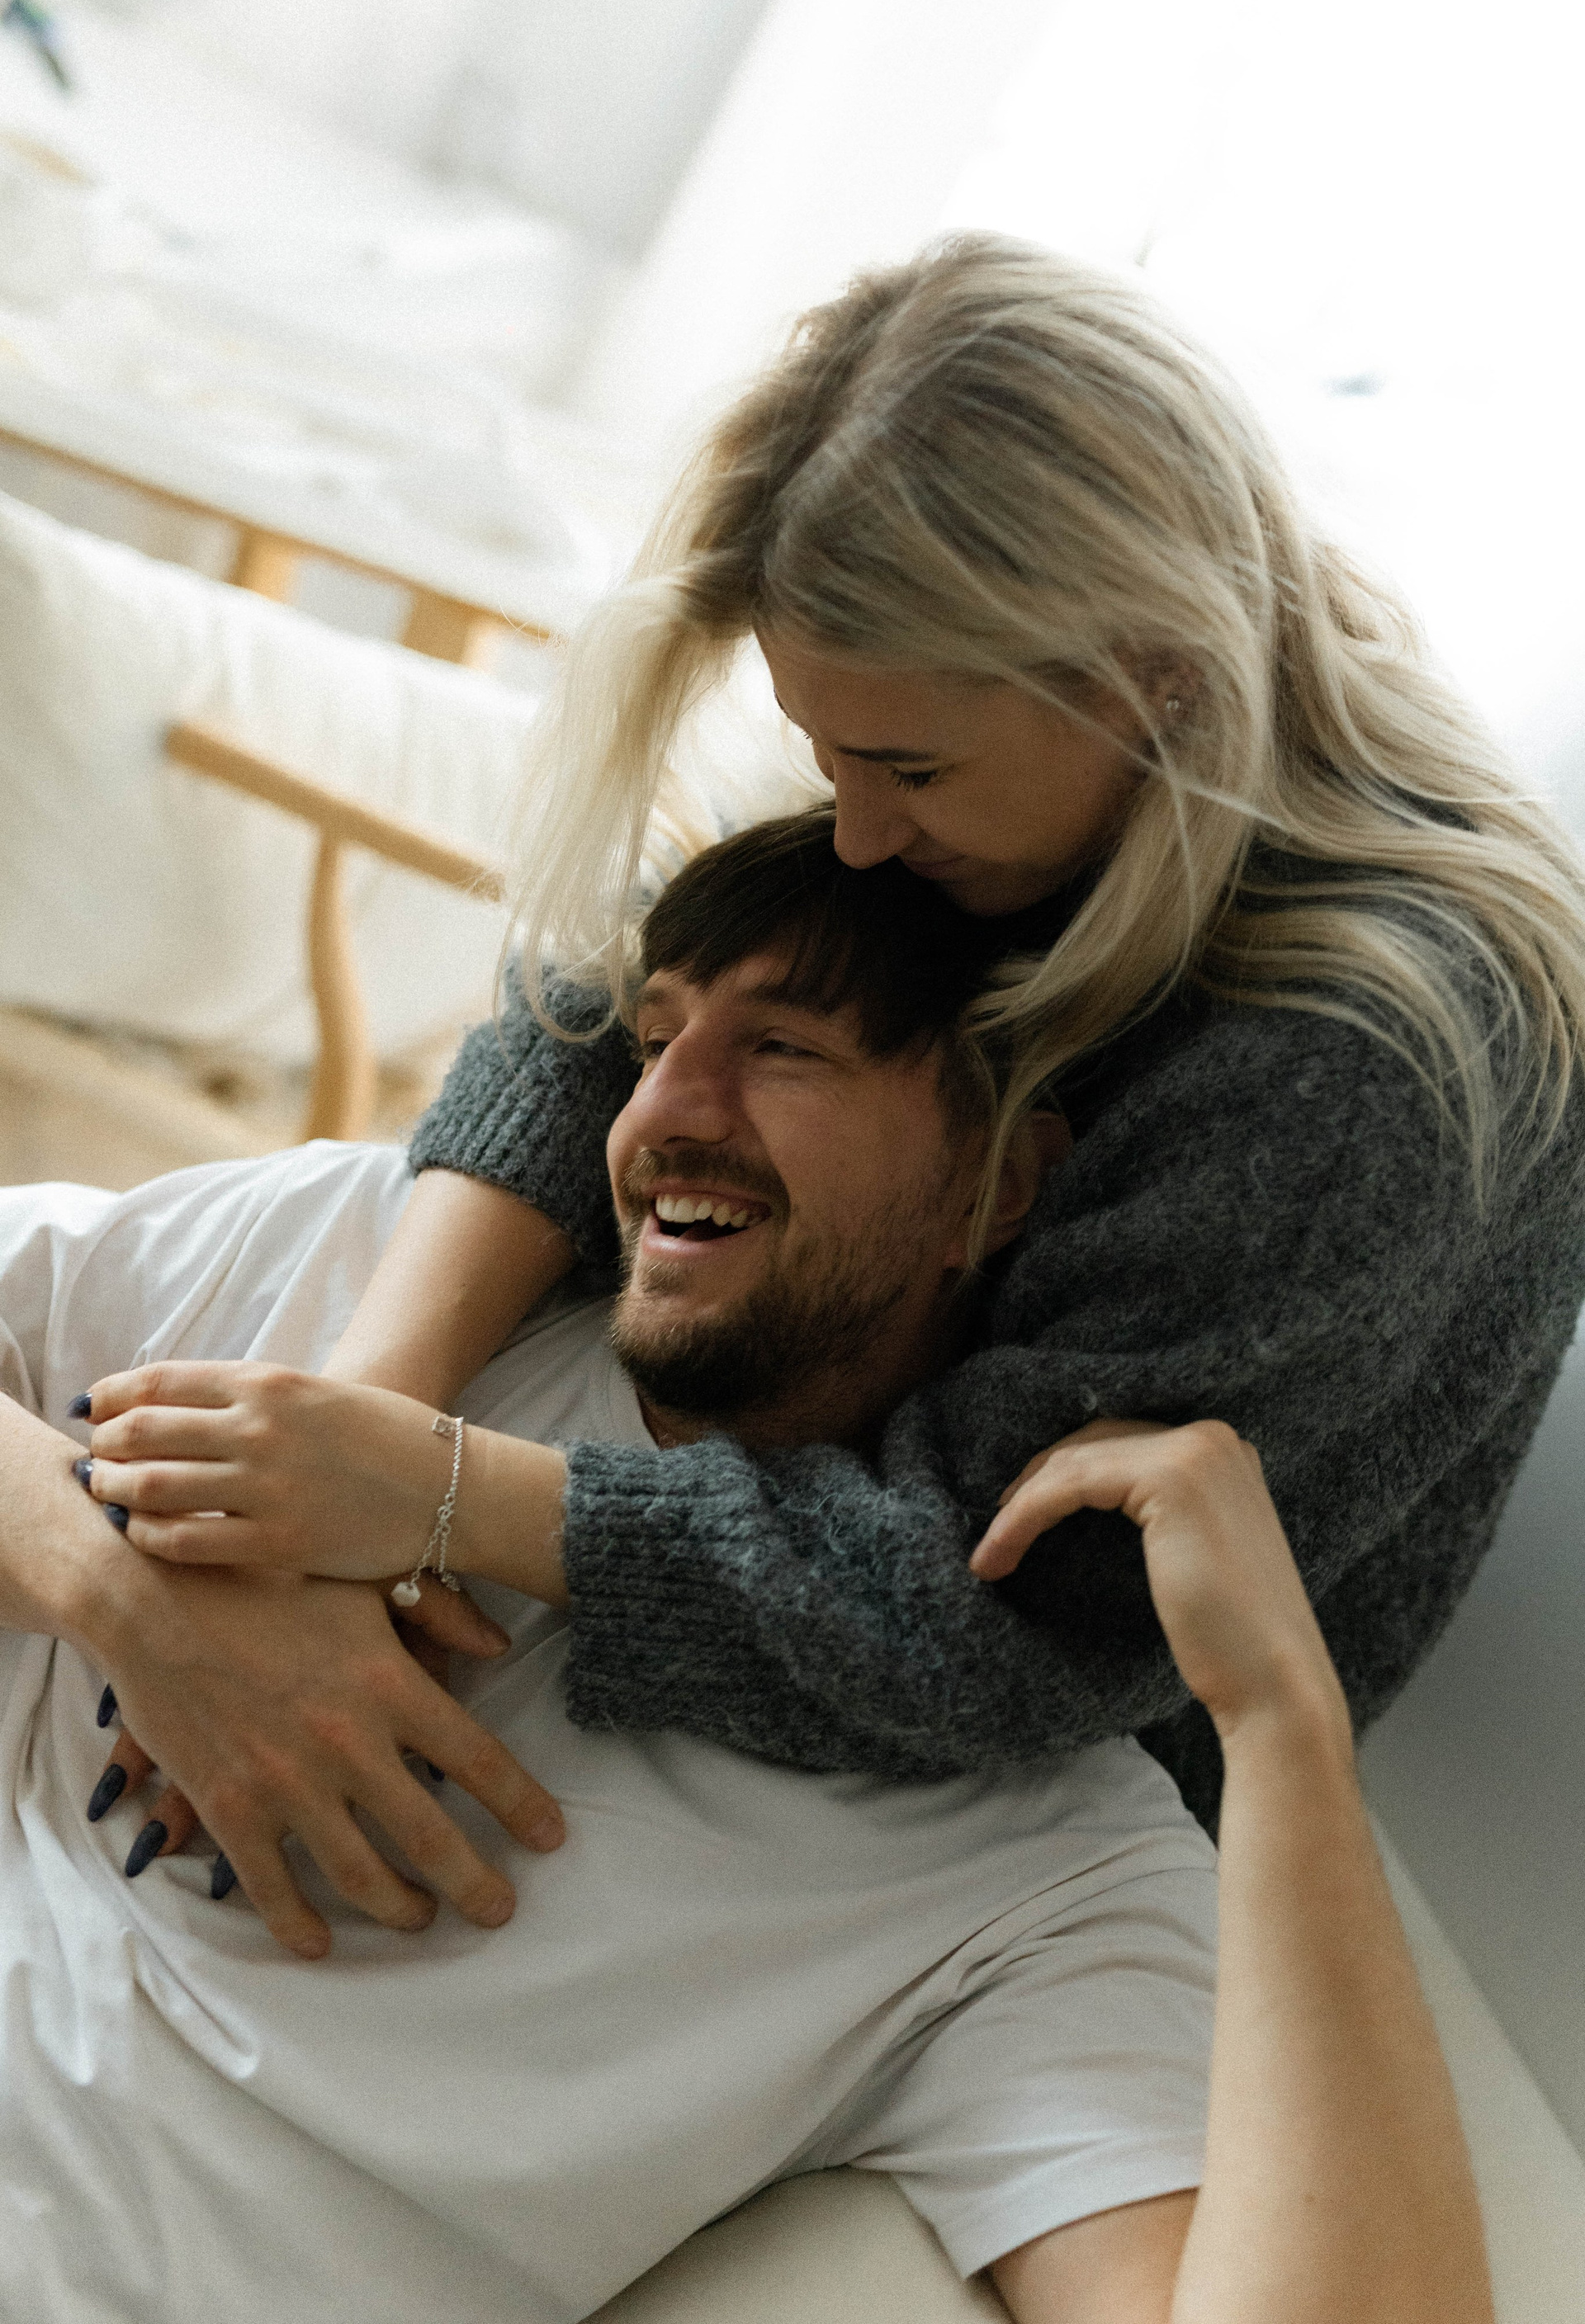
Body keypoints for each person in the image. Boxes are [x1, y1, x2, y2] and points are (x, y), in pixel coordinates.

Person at [89, 231, 1585, 1887]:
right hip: (717, 1521)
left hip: (993, 1816)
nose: (856, 836)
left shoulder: (1371, 1072)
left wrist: (436, 1496)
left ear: (1157, 677)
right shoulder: (1028, 791)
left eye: (906, 772)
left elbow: (1010, 1625)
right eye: (821, 756)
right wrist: (351, 1431)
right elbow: (597, 1009)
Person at [0, 821, 1489, 2324]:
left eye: (783, 1050)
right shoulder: (373, 1276)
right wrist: (125, 1599)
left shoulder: (1032, 1868)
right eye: (654, 1042)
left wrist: (1283, 1721)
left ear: (996, 1183)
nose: (664, 1112)